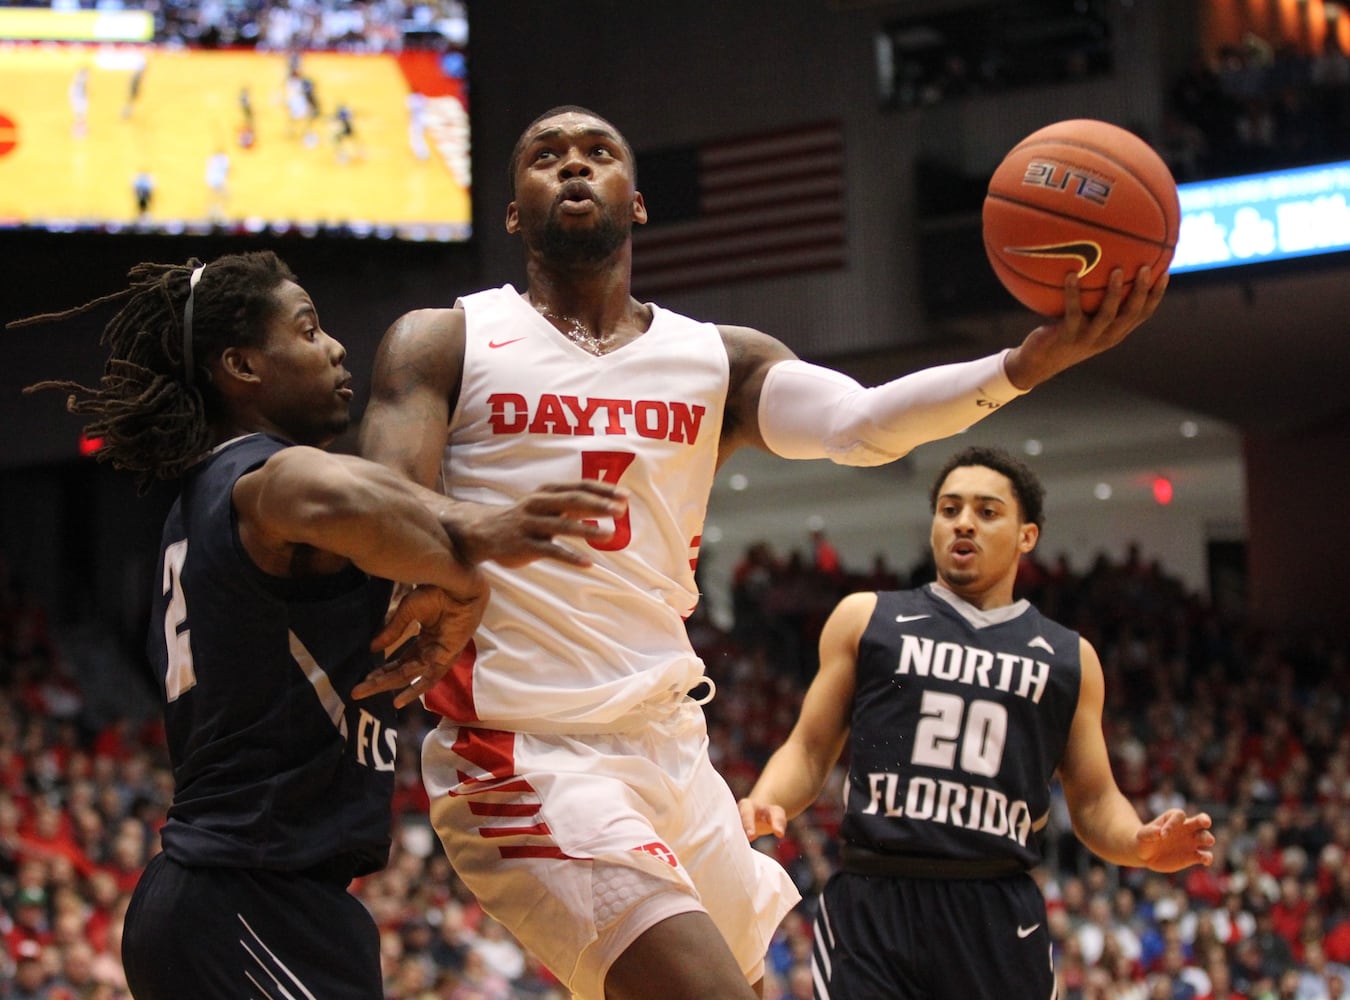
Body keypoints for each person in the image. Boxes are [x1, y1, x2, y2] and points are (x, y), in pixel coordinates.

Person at [356, 105, 1170, 1000]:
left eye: (599, 154)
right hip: (524, 750)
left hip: (670, 745)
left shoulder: (716, 361)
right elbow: (380, 509)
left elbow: (863, 426)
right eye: (546, 157)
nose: (574, 167)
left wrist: (1023, 364)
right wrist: (439, 563)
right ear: (513, 211)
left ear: (638, 204)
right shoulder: (446, 339)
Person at [13, 250, 623, 999]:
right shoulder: (261, 479)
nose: (336, 347)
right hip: (247, 896)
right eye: (307, 330)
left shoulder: (201, 504)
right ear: (241, 366)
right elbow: (319, 488)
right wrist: (470, 537)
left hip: (249, 899)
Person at [738, 445, 1216, 1000]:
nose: (964, 521)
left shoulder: (1067, 658)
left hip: (997, 907)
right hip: (874, 899)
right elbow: (809, 749)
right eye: (949, 508)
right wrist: (767, 797)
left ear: (1026, 536)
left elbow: (1091, 801)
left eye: (987, 511)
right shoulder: (867, 619)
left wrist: (1138, 843)